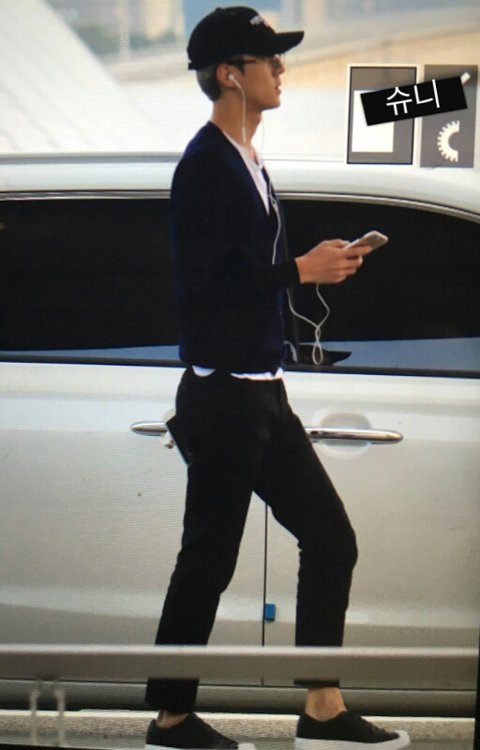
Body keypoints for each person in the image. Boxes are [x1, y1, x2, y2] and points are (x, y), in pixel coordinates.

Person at [145, 7, 410, 750]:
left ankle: (321, 708)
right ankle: (170, 719)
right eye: (268, 59)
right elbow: (201, 286)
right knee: (210, 557)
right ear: (230, 74)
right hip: (223, 394)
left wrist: (315, 267)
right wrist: (298, 269)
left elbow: (249, 274)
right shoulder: (205, 164)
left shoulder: (249, 160)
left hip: (262, 390)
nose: (281, 69)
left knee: (330, 537)